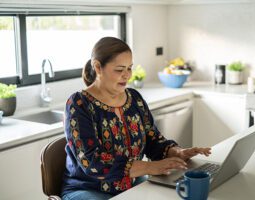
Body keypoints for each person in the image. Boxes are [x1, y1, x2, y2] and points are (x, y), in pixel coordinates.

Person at [61, 36, 211, 200]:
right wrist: (149, 167)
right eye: (119, 70)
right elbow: (92, 162)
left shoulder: (134, 99)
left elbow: (153, 140)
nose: (127, 75)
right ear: (98, 67)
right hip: (87, 190)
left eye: (129, 68)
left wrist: (177, 152)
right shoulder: (79, 104)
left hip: (131, 186)